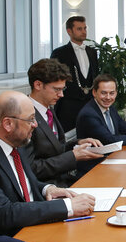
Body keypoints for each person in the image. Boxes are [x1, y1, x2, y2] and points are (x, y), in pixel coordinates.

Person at [0, 91, 95, 237]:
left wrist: (47, 189)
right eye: (31, 119)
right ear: (8, 124)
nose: (36, 125)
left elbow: (23, 183)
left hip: (30, 230)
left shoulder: (13, 144)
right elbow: (4, 214)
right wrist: (68, 206)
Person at [24, 58, 103, 187]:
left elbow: (53, 149)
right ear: (38, 85)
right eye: (56, 89)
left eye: (62, 89)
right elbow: (32, 168)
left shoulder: (48, 109)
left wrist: (77, 143)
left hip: (63, 180)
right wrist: (73, 156)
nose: (61, 95)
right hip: (46, 187)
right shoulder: (24, 116)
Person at [50, 15, 99, 132]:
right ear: (69, 31)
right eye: (79, 29)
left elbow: (95, 75)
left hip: (89, 103)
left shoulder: (92, 52)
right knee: (69, 139)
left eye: (85, 28)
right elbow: (53, 78)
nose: (83, 32)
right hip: (68, 105)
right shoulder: (59, 53)